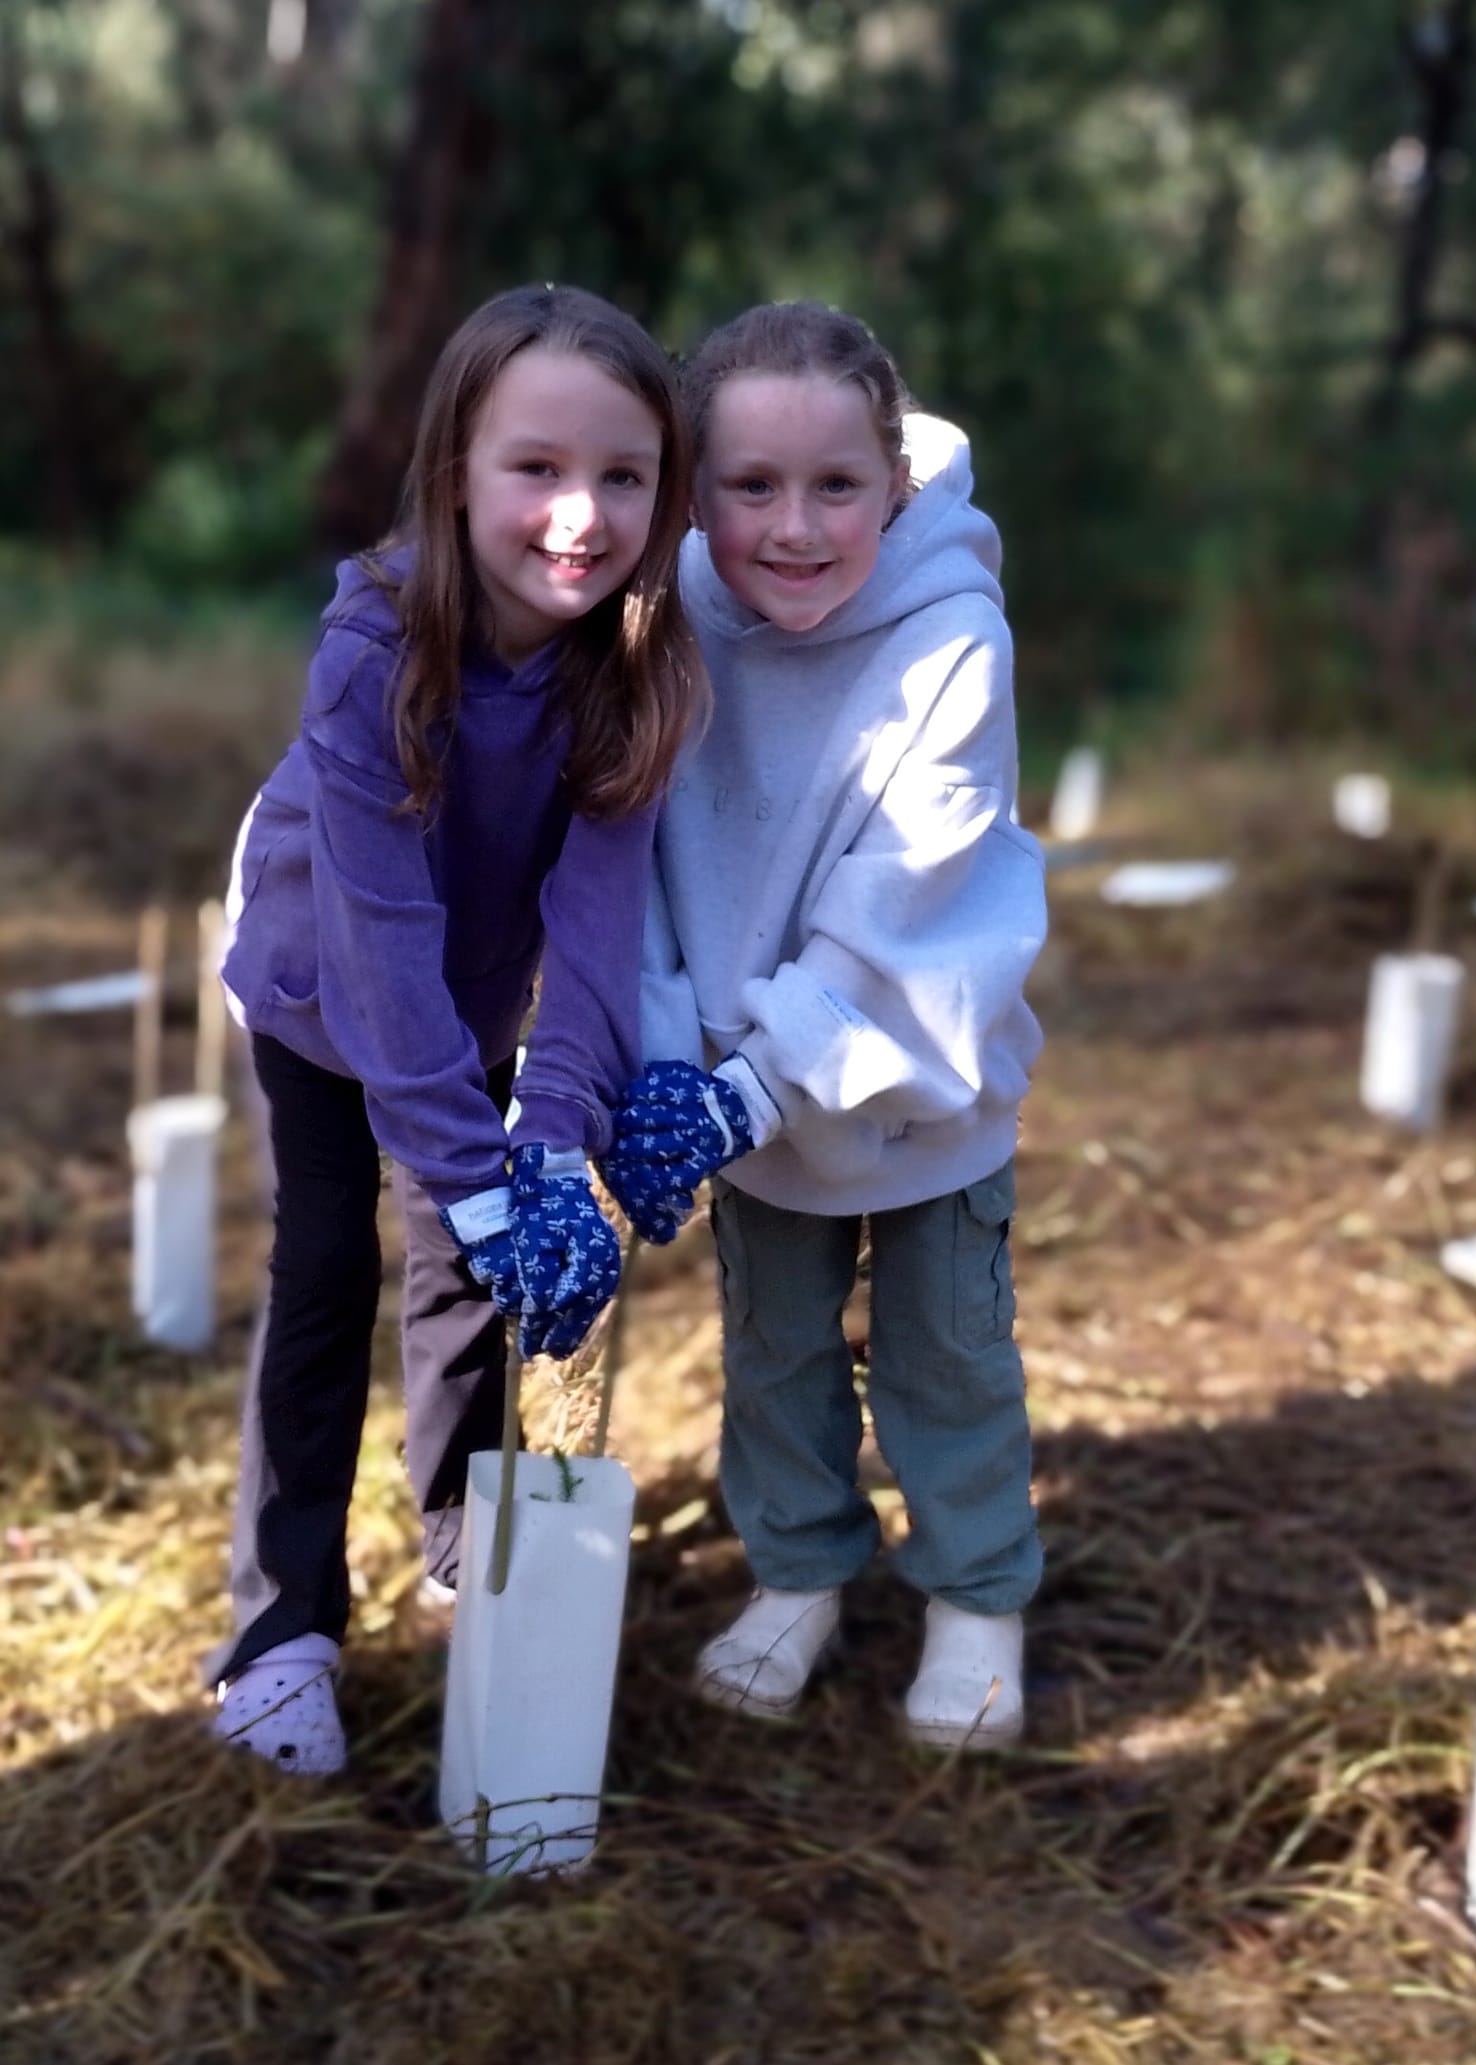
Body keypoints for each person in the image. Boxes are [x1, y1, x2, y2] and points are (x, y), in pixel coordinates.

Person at [207, 284, 704, 1774]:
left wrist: (547, 1147)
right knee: (325, 1265)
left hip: (475, 992)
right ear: (454, 475)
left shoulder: (634, 660)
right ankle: (278, 1628)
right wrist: (475, 1168)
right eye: (537, 470)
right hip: (315, 981)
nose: (581, 515)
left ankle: (458, 1524)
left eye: (624, 477)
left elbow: (599, 918)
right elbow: (378, 941)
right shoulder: (374, 652)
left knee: (462, 1277)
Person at [596, 302, 1048, 1749]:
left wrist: (755, 1085)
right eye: (750, 489)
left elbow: (910, 900)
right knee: (775, 1348)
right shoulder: (659, 621)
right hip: (737, 1083)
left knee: (945, 1354)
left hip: (914, 1083)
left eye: (836, 488)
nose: (794, 528)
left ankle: (977, 1595)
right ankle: (797, 1572)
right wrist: (674, 1067)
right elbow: (643, 868)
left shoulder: (951, 641)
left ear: (895, 483)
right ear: (694, 488)